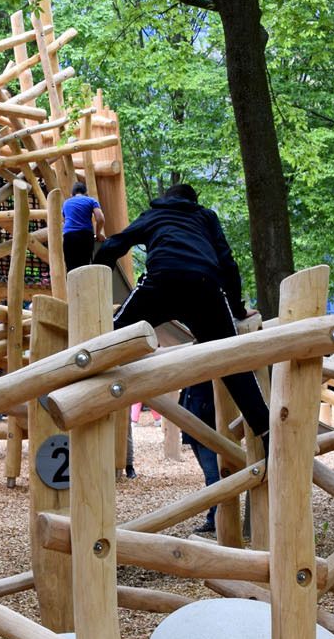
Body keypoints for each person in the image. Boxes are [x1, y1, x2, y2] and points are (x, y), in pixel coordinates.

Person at [94, 183, 269, 445]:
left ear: (166, 199)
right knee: (232, 362)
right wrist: (238, 309)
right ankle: (266, 431)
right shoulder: (205, 216)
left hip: (160, 284)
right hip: (204, 288)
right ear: (194, 201)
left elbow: (113, 246)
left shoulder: (154, 215)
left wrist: (96, 288)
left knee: (111, 337)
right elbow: (227, 262)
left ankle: (85, 382)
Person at [179, 382, 222, 533]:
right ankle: (215, 517)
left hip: (206, 426)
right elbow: (187, 392)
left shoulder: (211, 376)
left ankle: (216, 519)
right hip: (194, 427)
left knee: (213, 476)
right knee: (210, 475)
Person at [62, 181, 107, 271]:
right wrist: (98, 234)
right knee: (84, 267)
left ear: (72, 194)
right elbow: (100, 219)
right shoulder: (91, 200)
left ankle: (71, 285)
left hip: (69, 237)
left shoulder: (66, 203)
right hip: (85, 236)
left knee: (71, 268)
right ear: (86, 193)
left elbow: (64, 219)